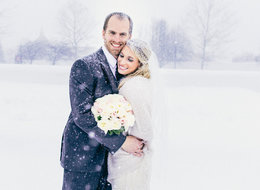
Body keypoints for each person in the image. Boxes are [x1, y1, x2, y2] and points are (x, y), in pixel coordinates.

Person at [60, 12, 144, 190]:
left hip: (113, 162)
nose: (117, 39)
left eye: (122, 34)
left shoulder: (128, 68)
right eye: (112, 33)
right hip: (83, 158)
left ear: (130, 36)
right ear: (103, 33)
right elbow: (81, 115)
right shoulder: (84, 66)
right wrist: (121, 142)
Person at [107, 39, 154, 190]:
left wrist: (130, 142)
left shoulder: (134, 86)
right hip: (128, 160)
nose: (122, 61)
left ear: (140, 64)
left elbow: (144, 126)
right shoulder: (134, 81)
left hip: (131, 160)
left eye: (130, 59)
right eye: (121, 56)